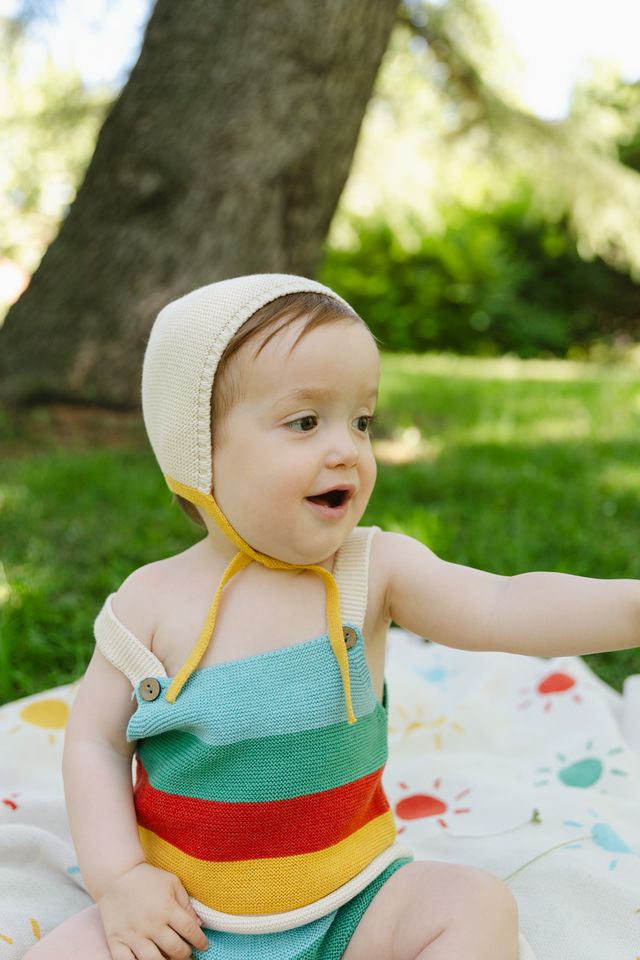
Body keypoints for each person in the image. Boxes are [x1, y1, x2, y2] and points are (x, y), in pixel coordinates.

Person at [24, 274, 639, 960]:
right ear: (197, 450)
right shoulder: (151, 603)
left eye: (362, 420)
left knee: (474, 906)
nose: (347, 447)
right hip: (185, 922)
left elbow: (502, 604)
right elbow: (95, 746)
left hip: (355, 904)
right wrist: (122, 882)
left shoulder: (372, 571)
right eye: (306, 422)